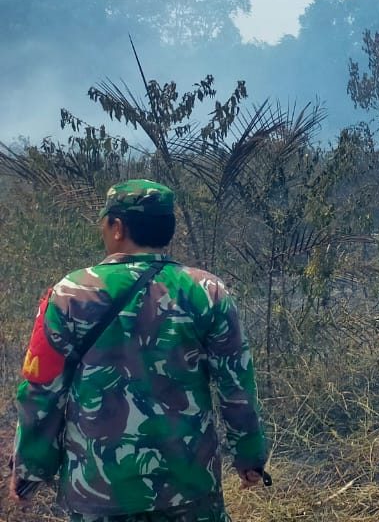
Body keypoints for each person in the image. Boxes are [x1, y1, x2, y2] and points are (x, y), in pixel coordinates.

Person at [10, 179, 267, 521]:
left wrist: (31, 470)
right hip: (189, 487)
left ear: (118, 227)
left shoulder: (69, 293)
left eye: (105, 221)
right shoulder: (208, 291)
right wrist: (249, 456)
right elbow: (237, 386)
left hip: (98, 490)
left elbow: (42, 391)